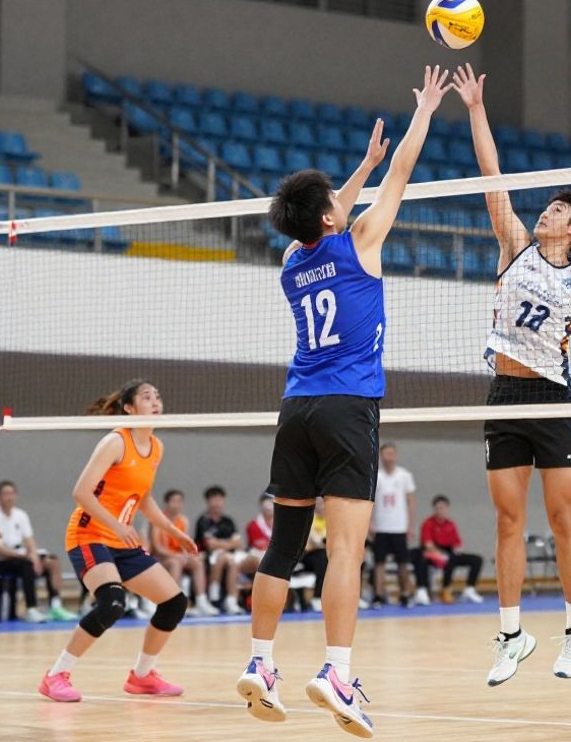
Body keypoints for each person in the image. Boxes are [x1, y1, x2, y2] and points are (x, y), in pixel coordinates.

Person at [235, 66, 451, 738]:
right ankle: (336, 671)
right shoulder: (360, 244)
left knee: (284, 545)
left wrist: (359, 168)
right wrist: (424, 112)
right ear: (332, 216)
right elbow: (402, 176)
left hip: (297, 409)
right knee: (346, 553)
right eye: (337, 200)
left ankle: (261, 661)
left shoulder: (293, 264)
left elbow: (320, 219)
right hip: (348, 407)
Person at [452, 62, 571, 686]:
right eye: (546, 206)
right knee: (507, 521)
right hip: (504, 395)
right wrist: (475, 108)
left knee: (563, 519)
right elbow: (491, 174)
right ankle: (511, 636)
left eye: (556, 209)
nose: (545, 212)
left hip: (551, 399)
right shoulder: (514, 244)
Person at [37, 379, 200, 703]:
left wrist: (175, 532)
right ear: (129, 408)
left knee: (174, 603)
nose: (155, 401)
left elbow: (144, 499)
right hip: (89, 535)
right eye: (147, 397)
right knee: (112, 603)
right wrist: (117, 525)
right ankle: (56, 675)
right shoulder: (115, 441)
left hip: (121, 539)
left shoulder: (156, 447)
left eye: (158, 396)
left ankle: (142, 676)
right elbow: (81, 492)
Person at [0, 480, 75, 622]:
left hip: (21, 556)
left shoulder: (20, 515)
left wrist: (35, 558)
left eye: (12, 493)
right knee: (27, 565)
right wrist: (25, 557)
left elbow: (29, 540)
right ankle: (31, 609)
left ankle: (55, 606)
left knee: (52, 562)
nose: (9, 497)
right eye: (5, 494)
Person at [151, 489, 218, 616]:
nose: (177, 505)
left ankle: (201, 600)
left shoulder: (183, 520)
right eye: (174, 501)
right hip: (162, 558)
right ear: (166, 503)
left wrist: (188, 555)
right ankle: (172, 601)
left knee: (197, 563)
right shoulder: (158, 519)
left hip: (178, 556)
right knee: (175, 563)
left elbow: (185, 544)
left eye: (180, 501)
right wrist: (176, 555)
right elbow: (157, 547)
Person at [369, 442, 421, 607]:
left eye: (391, 453)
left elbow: (411, 501)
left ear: (396, 455)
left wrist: (410, 525)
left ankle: (405, 594)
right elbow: (369, 502)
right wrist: (370, 523)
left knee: (403, 562)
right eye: (386, 453)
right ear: (381, 456)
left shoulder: (404, 476)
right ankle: (378, 596)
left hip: (399, 527)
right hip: (381, 527)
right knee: (379, 563)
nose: (389, 457)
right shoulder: (376, 476)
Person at [415, 495, 484, 604]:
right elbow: (428, 545)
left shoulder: (450, 524)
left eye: (444, 508)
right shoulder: (428, 523)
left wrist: (458, 550)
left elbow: (458, 544)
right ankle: (445, 589)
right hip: (434, 554)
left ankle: (469, 589)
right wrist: (440, 555)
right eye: (439, 508)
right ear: (434, 509)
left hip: (450, 552)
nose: (441, 510)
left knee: (476, 559)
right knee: (443, 559)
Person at [195, 484, 247, 615]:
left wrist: (221, 544)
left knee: (233, 561)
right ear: (208, 502)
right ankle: (214, 595)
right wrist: (229, 544)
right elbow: (210, 545)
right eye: (214, 499)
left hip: (230, 557)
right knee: (222, 557)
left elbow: (238, 543)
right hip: (208, 556)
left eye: (219, 499)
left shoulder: (228, 521)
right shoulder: (203, 521)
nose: (217, 503)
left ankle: (231, 600)